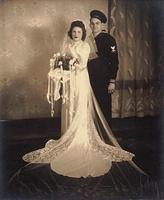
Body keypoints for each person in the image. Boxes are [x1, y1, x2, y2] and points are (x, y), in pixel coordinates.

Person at [22, 20, 137, 178]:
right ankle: (68, 136)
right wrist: (60, 66)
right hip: (70, 81)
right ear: (71, 33)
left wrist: (70, 60)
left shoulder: (85, 46)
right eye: (74, 32)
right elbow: (64, 63)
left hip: (81, 80)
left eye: (79, 32)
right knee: (70, 107)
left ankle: (80, 139)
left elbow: (82, 64)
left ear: (83, 34)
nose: (76, 34)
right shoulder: (68, 46)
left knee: (80, 108)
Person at [87, 10, 119, 126]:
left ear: (102, 25)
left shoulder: (109, 39)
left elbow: (114, 61)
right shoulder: (86, 39)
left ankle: (106, 137)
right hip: (89, 79)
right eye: (92, 23)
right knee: (90, 109)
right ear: (89, 24)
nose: (95, 26)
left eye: (97, 23)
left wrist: (112, 81)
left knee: (103, 108)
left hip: (104, 79)